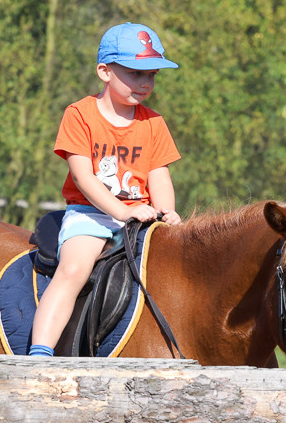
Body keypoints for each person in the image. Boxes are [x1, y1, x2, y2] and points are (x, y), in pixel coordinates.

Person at [28, 22, 183, 357]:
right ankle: (40, 351)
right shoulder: (80, 114)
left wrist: (166, 211)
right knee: (73, 270)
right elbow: (84, 177)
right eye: (134, 73)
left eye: (152, 75)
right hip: (92, 214)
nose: (145, 83)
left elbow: (159, 176)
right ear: (104, 71)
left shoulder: (153, 122)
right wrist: (123, 211)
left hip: (142, 216)